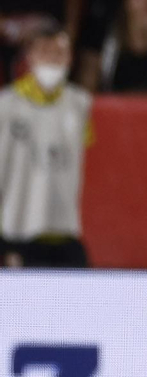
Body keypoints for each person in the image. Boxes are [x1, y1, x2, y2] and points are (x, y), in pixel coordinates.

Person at [0, 22, 91, 267]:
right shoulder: (6, 105)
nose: (52, 59)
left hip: (63, 229)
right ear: (29, 56)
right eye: (44, 51)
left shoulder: (80, 104)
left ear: (70, 57)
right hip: (17, 230)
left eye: (59, 52)